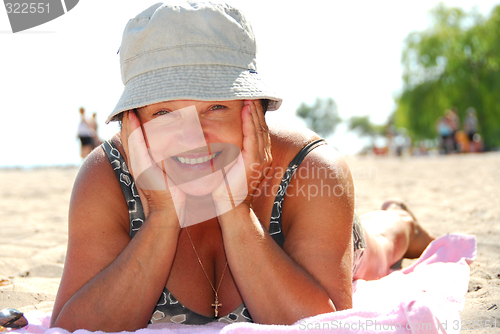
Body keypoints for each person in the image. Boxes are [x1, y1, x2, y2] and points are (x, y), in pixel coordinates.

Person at [51, 2, 435, 331]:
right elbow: (70, 327)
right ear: (134, 122)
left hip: (325, 223)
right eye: (165, 112)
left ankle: (400, 220)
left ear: (252, 109)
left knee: (382, 249)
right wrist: (163, 216)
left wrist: (235, 209)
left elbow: (326, 326)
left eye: (215, 107)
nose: (193, 138)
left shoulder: (311, 170)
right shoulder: (108, 178)